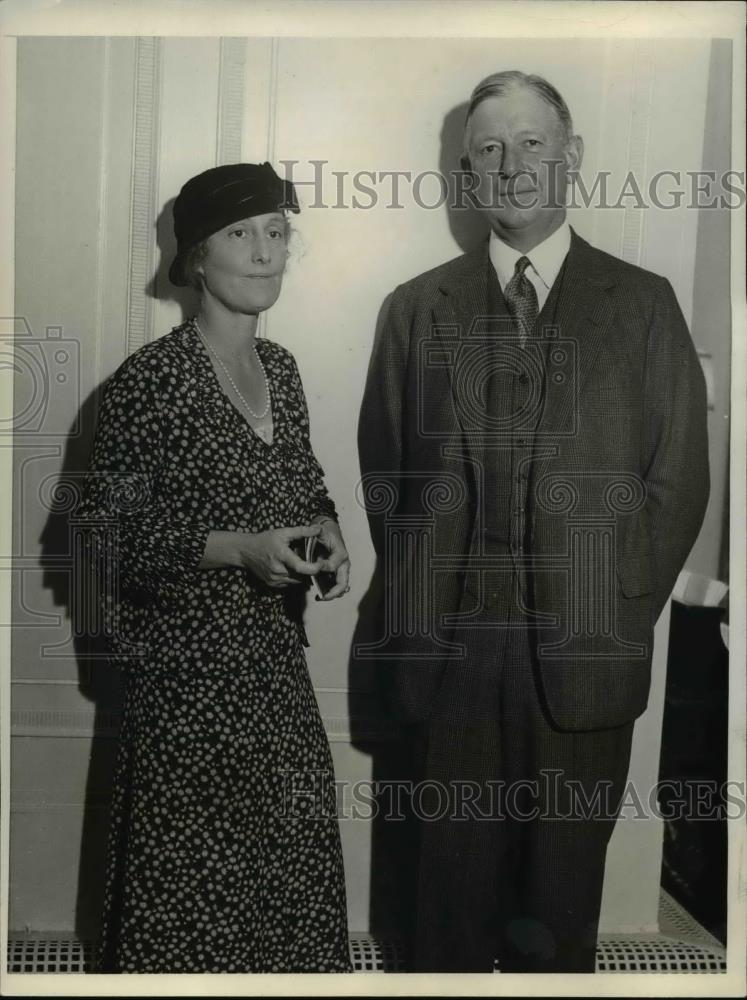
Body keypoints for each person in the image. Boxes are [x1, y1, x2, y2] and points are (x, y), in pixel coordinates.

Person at [358, 71, 709, 973]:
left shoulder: (642, 303)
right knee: (444, 912)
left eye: (530, 144)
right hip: (451, 652)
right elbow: (388, 473)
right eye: (486, 148)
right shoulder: (413, 309)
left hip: (584, 649)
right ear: (464, 172)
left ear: (571, 158)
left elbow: (677, 482)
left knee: (557, 916)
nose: (509, 167)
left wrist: (618, 608)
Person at [79, 162, 353, 973]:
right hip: (185, 690)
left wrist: (327, 533)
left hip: (272, 675)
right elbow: (102, 534)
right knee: (192, 903)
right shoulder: (148, 384)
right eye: (241, 234)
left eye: (276, 232)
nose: (265, 253)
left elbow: (304, 485)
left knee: (289, 887)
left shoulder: (286, 374)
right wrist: (239, 549)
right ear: (196, 257)